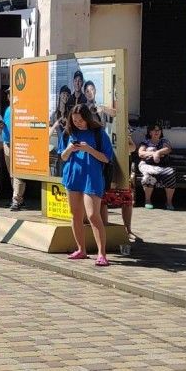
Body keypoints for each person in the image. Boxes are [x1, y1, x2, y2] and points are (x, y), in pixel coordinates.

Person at [57, 103, 114, 266]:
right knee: (75, 214)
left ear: (87, 118)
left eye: (80, 120)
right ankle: (81, 250)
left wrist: (89, 149)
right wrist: (69, 149)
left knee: (93, 215)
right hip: (73, 176)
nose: (77, 123)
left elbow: (107, 158)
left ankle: (102, 254)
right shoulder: (68, 133)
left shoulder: (98, 133)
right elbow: (63, 157)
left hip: (92, 177)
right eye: (74, 121)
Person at [102, 133, 137, 237]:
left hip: (122, 170)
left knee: (127, 200)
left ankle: (128, 230)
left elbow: (132, 148)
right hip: (106, 170)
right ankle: (104, 228)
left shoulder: (123, 130)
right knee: (103, 201)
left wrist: (123, 146)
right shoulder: (100, 130)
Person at [138, 124, 176, 210]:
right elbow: (141, 153)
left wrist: (158, 153)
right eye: (154, 130)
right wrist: (153, 154)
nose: (157, 132)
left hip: (163, 166)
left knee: (170, 174)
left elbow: (168, 149)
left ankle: (169, 202)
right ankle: (147, 201)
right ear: (150, 132)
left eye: (158, 130)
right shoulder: (145, 142)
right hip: (147, 165)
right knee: (148, 176)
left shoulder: (164, 141)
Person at [2, 97, 26, 212]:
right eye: (8, 94)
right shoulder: (8, 109)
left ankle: (17, 199)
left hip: (17, 144)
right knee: (11, 173)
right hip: (6, 143)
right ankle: (16, 198)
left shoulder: (22, 108)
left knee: (18, 173)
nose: (10, 96)